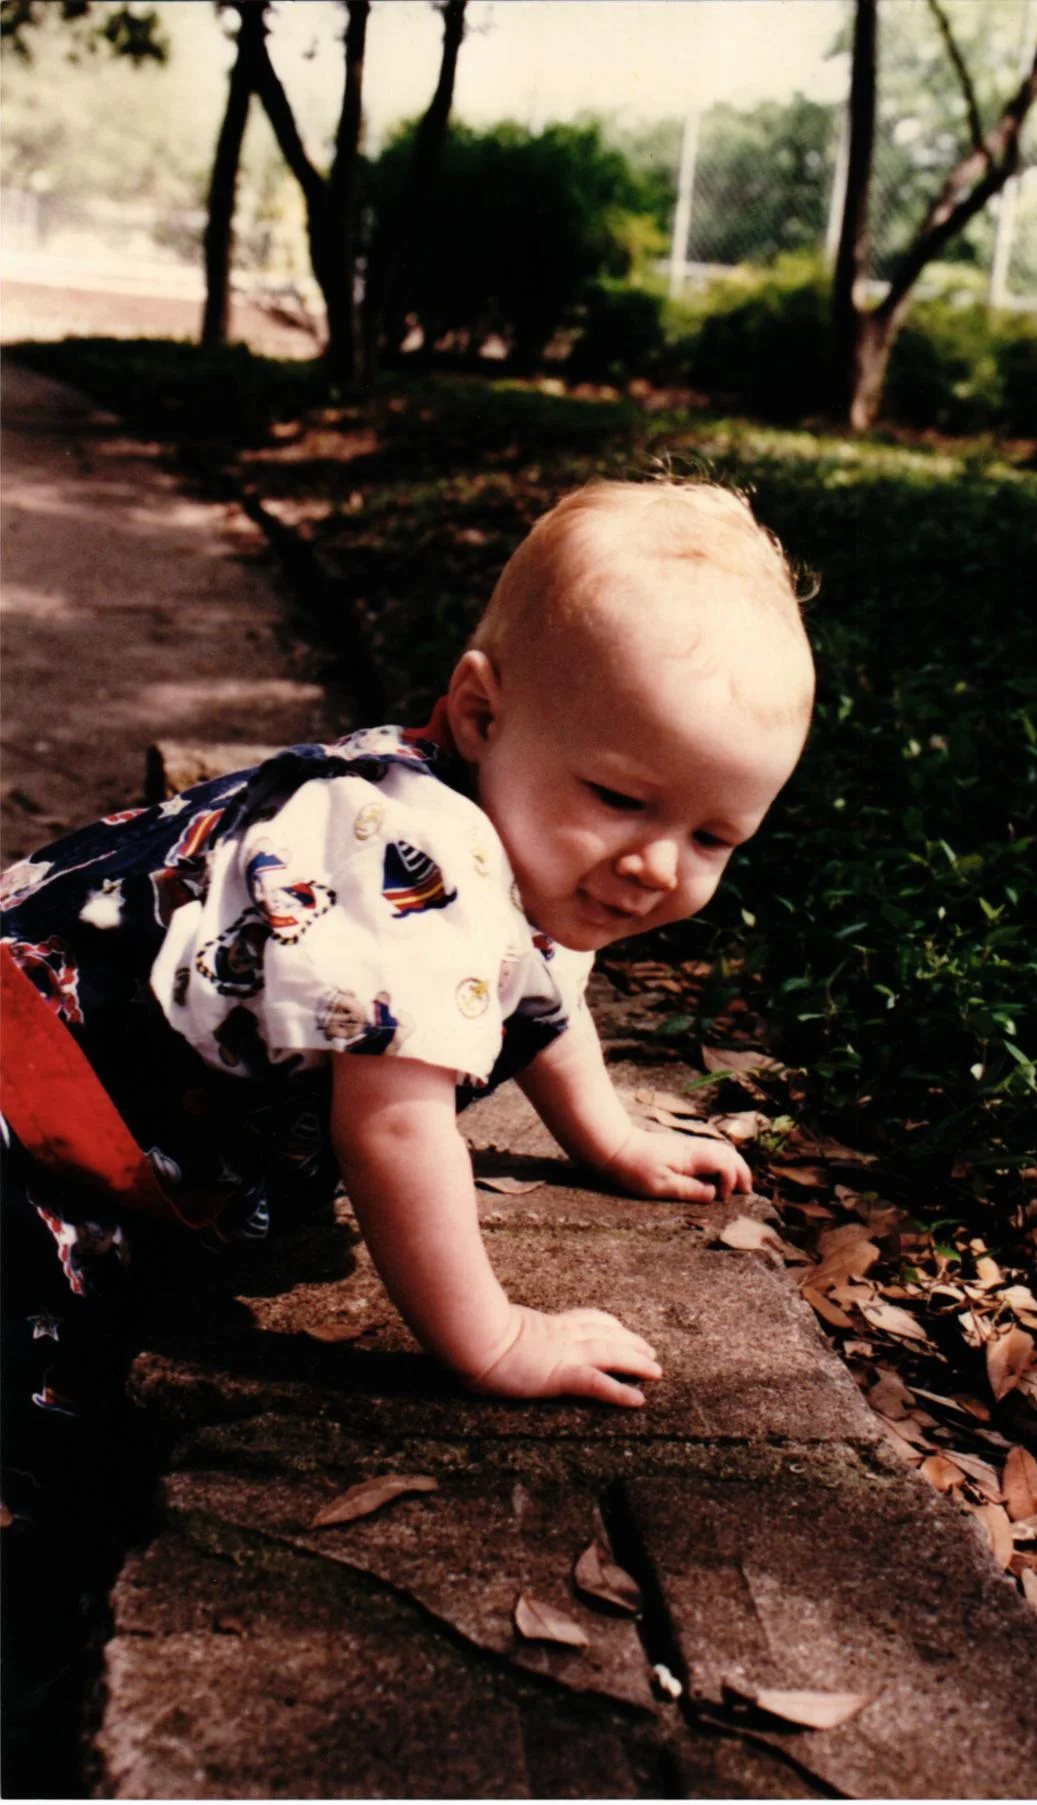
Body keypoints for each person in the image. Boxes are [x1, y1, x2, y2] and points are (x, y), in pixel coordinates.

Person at [2, 477, 814, 1444]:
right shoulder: (421, 861)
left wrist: (611, 1140)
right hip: (30, 1104)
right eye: (618, 799)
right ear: (480, 714)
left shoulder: (499, 816)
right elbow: (392, 1128)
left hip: (57, 1061)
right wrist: (493, 1340)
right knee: (45, 1395)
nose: (655, 866)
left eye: (713, 837)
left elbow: (535, 985)